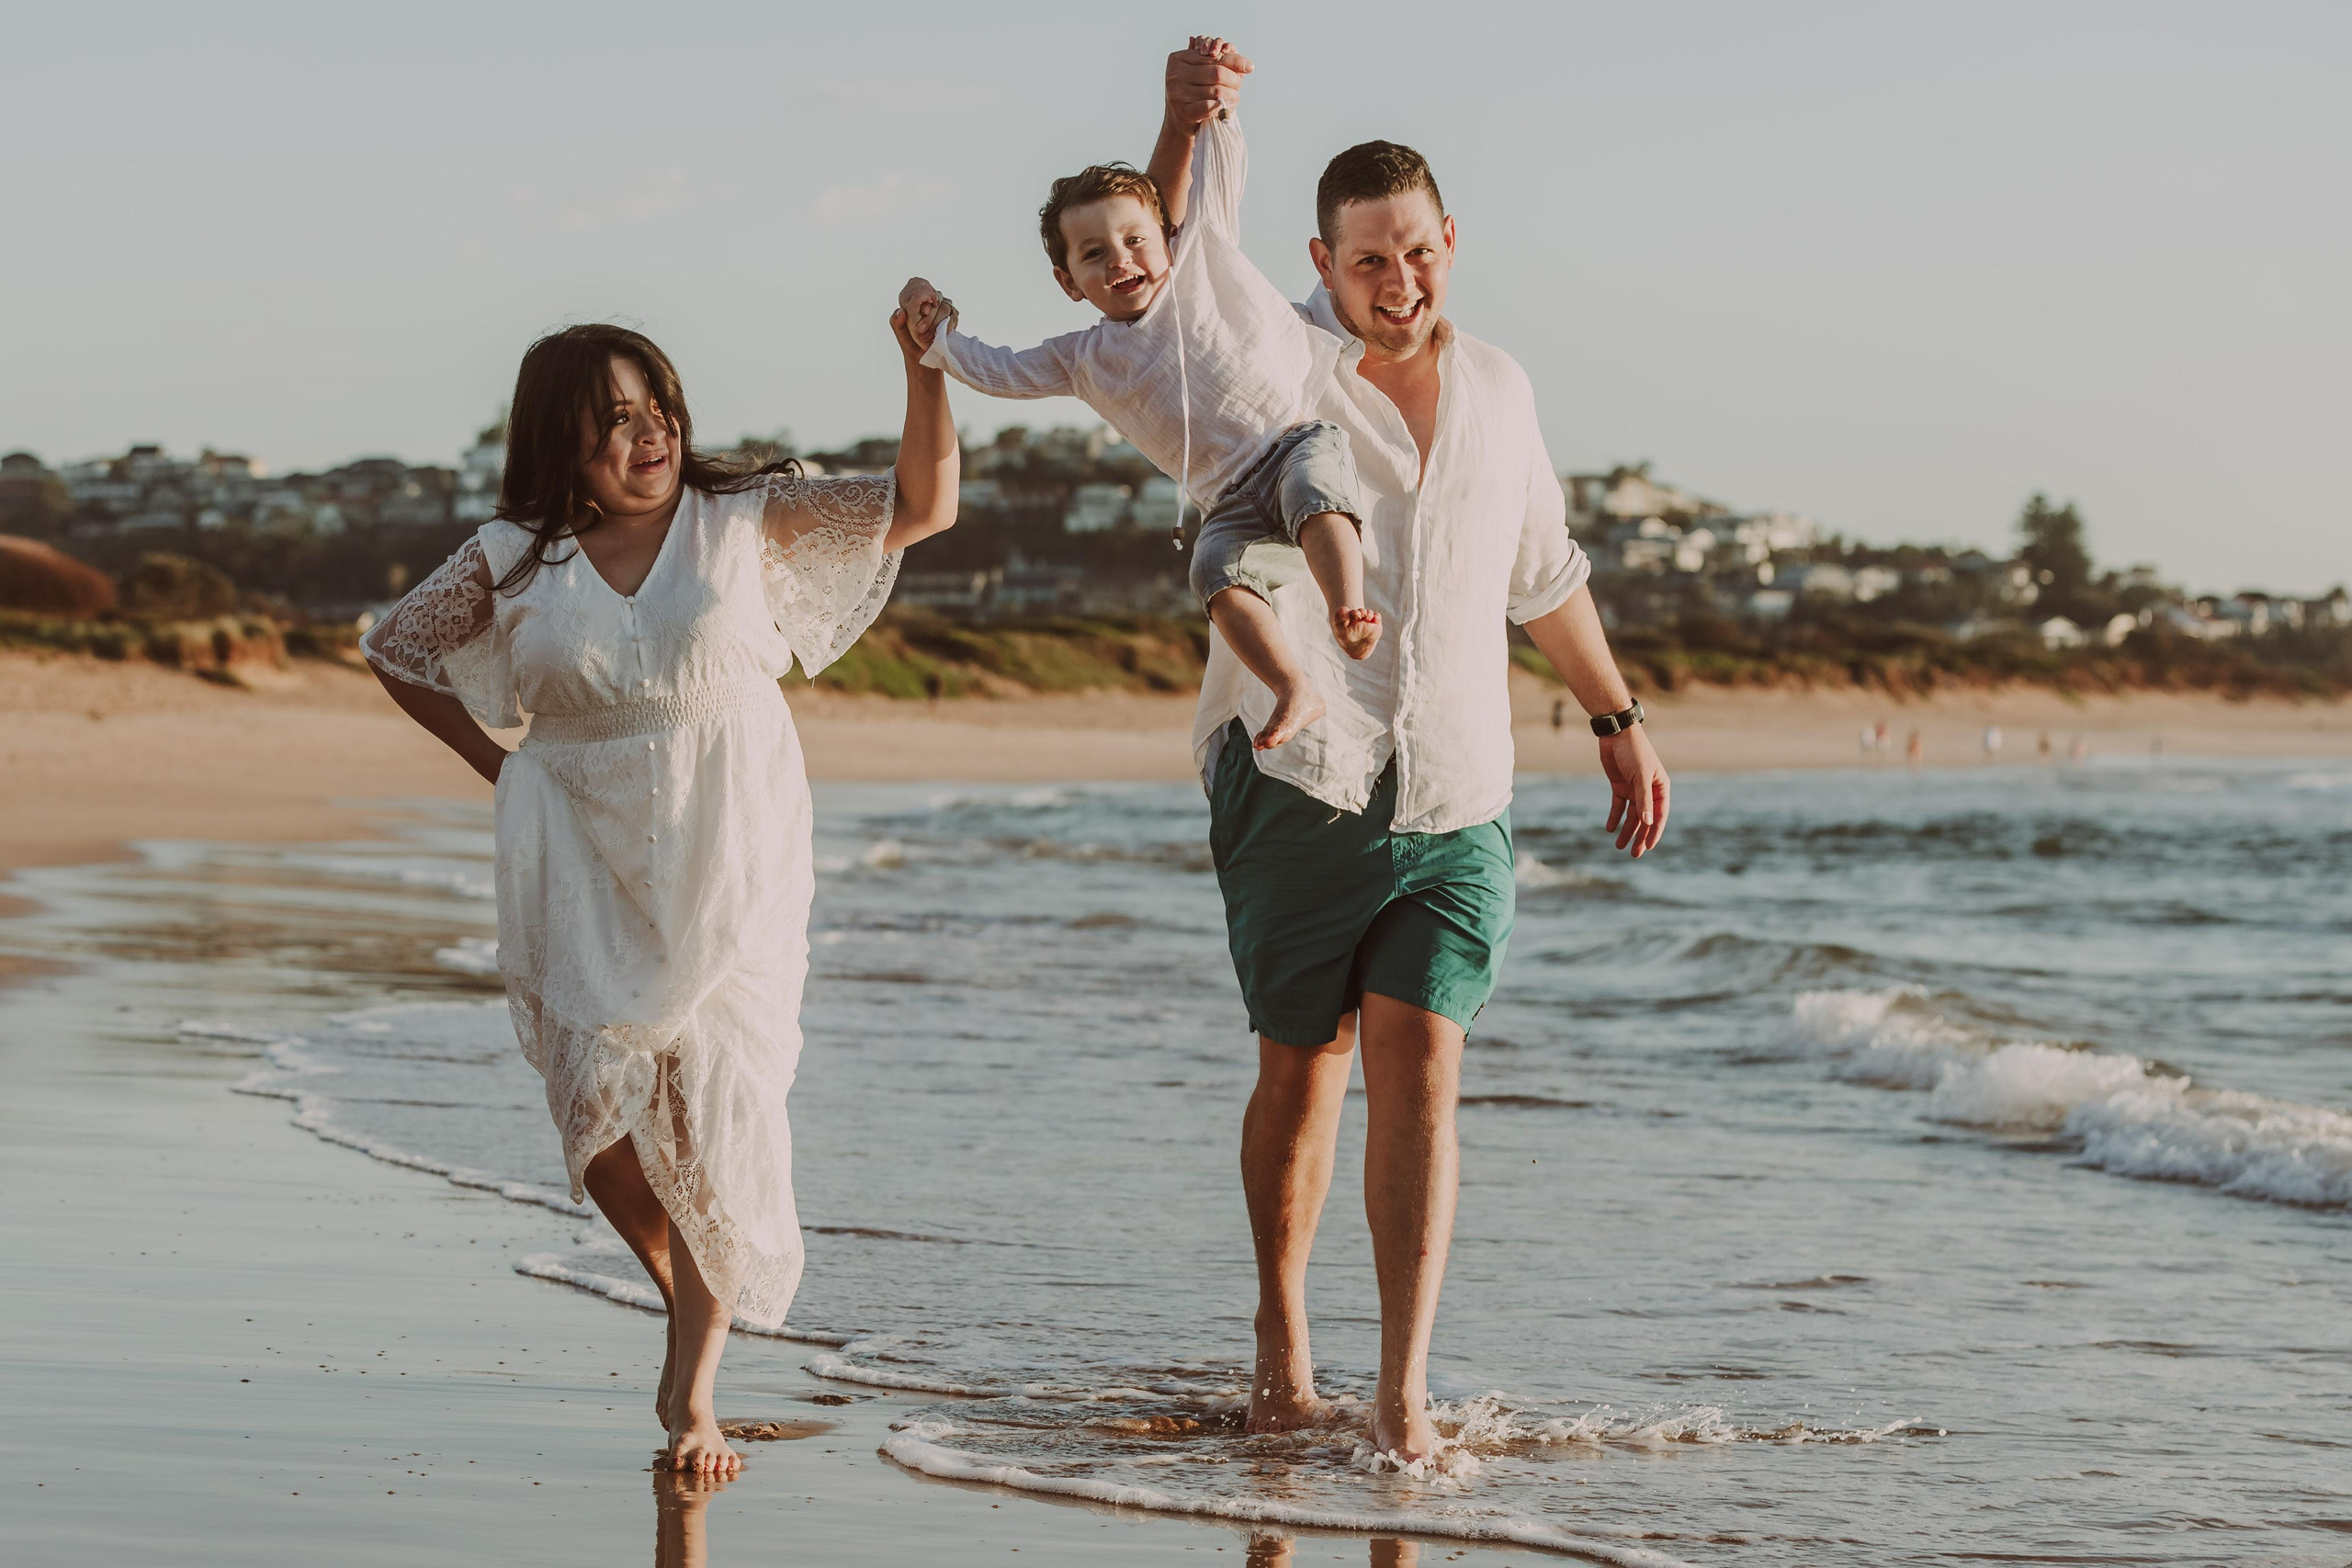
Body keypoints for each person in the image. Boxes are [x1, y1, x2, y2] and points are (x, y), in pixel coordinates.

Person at [1149, 39, 1669, 1462]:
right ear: (1323, 260)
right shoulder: (1272, 367)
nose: (1402, 279)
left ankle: (1402, 1393)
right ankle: (1281, 1350)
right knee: (1305, 1069)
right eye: (1371, 258)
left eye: (1421, 251)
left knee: (1424, 1061)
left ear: (1452, 242)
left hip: (1458, 783)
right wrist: (1188, 121)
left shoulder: (1502, 385)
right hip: (1298, 771)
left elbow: (1544, 575)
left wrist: (1617, 719)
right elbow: (1169, 261)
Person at [361, 314, 958, 1472]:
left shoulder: (744, 516)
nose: (651, 436)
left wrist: (922, 371)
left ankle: (694, 1392)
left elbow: (922, 507)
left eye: (659, 410)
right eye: (616, 420)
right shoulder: (513, 554)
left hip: (733, 849)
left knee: (710, 1106)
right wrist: (503, 768)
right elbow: (396, 650)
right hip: (577, 853)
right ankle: (692, 1286)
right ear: (559, 440)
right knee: (596, 1119)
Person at [903, 39, 1375, 754]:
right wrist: (933, 329)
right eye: (1094, 254)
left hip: (1294, 438)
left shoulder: (1201, 251)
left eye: (1134, 239)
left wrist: (1219, 107)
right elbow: (997, 369)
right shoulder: (1083, 359)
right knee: (1212, 571)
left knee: (1316, 494)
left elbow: (1222, 169)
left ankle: (1349, 607)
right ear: (1069, 282)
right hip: (1229, 500)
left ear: (1165, 235)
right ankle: (1292, 686)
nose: (1120, 259)